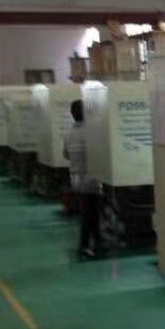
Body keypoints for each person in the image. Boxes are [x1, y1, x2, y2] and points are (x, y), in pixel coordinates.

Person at [63, 100, 101, 259]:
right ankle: (89, 245)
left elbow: (66, 155)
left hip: (76, 179)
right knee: (92, 214)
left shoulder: (68, 135)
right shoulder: (91, 132)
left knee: (88, 212)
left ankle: (92, 244)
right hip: (92, 179)